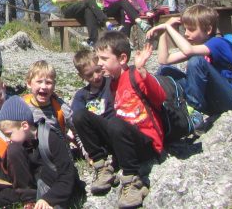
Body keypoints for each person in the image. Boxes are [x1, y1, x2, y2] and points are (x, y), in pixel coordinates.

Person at [72, 31, 164, 208]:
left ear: (122, 59)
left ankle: (132, 180)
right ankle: (101, 166)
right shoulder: (112, 83)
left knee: (115, 122)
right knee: (80, 115)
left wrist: (142, 70)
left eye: (104, 59)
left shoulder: (134, 75)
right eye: (98, 58)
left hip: (145, 144)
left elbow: (159, 98)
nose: (99, 64)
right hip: (122, 141)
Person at [0, 96, 83, 209]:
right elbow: (20, 189)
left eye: (9, 134)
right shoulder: (20, 147)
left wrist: (48, 199)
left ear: (24, 126)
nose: (8, 139)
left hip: (58, 191)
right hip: (40, 194)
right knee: (13, 150)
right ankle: (30, 202)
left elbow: (67, 175)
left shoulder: (51, 138)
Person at [151, 4, 232, 118]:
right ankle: (167, 108)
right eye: (185, 29)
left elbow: (188, 50)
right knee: (166, 70)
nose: (186, 33)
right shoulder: (198, 48)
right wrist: (163, 31)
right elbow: (164, 60)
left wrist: (169, 28)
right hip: (211, 100)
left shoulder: (218, 43)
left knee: (196, 61)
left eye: (191, 30)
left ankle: (194, 113)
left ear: (208, 30)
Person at [23, 61, 72, 139]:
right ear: (29, 83)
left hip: (56, 148)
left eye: (48, 82)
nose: (44, 87)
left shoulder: (60, 107)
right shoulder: (22, 105)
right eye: (39, 82)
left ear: (54, 85)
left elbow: (78, 130)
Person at [70, 48, 114, 119]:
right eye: (89, 75)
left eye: (98, 70)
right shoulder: (81, 95)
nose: (96, 76)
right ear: (81, 76)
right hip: (94, 127)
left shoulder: (112, 84)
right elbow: (76, 118)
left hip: (113, 125)